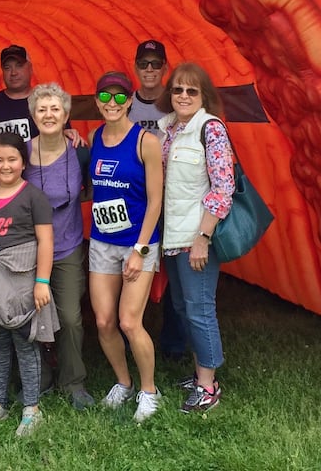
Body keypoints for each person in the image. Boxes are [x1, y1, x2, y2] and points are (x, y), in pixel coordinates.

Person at [0, 132, 59, 437]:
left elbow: (45, 240)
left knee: (25, 341)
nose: (5, 166)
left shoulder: (33, 197)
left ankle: (32, 408)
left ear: (23, 161)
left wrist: (41, 282)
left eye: (12, 159)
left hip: (21, 280)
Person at [155, 62, 234, 413]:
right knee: (181, 306)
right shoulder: (168, 130)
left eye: (191, 90)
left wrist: (203, 236)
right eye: (177, 89)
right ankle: (200, 369)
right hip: (172, 237)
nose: (183, 96)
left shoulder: (210, 129)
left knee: (200, 310)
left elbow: (222, 188)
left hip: (194, 237)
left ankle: (209, 384)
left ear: (203, 96)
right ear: (169, 94)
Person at [88, 71, 164, 422]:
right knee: (104, 322)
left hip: (138, 243)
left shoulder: (146, 141)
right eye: (106, 97)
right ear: (98, 101)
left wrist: (141, 249)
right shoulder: (94, 137)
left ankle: (150, 391)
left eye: (120, 97)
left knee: (130, 322)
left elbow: (155, 201)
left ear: (130, 101)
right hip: (102, 241)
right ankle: (124, 382)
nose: (112, 103)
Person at [23, 83, 94, 411]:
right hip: (28, 249)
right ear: (33, 115)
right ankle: (37, 378)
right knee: (29, 318)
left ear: (66, 115)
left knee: (70, 318)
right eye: (42, 109)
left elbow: (94, 189)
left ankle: (73, 380)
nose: (48, 115)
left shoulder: (79, 151)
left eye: (55, 109)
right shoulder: (21, 152)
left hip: (66, 246)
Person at [128, 39, 187, 362]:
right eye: (143, 63)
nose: (149, 69)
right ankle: (128, 331)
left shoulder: (176, 103)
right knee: (131, 264)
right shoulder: (126, 104)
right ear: (135, 67)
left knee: (176, 270)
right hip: (136, 201)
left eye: (155, 63)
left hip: (174, 199)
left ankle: (174, 342)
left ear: (165, 68)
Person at [0, 44, 82, 146]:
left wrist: (69, 134)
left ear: (30, 68)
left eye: (19, 65)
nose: (13, 73)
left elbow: (65, 136)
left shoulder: (48, 102)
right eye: (7, 68)